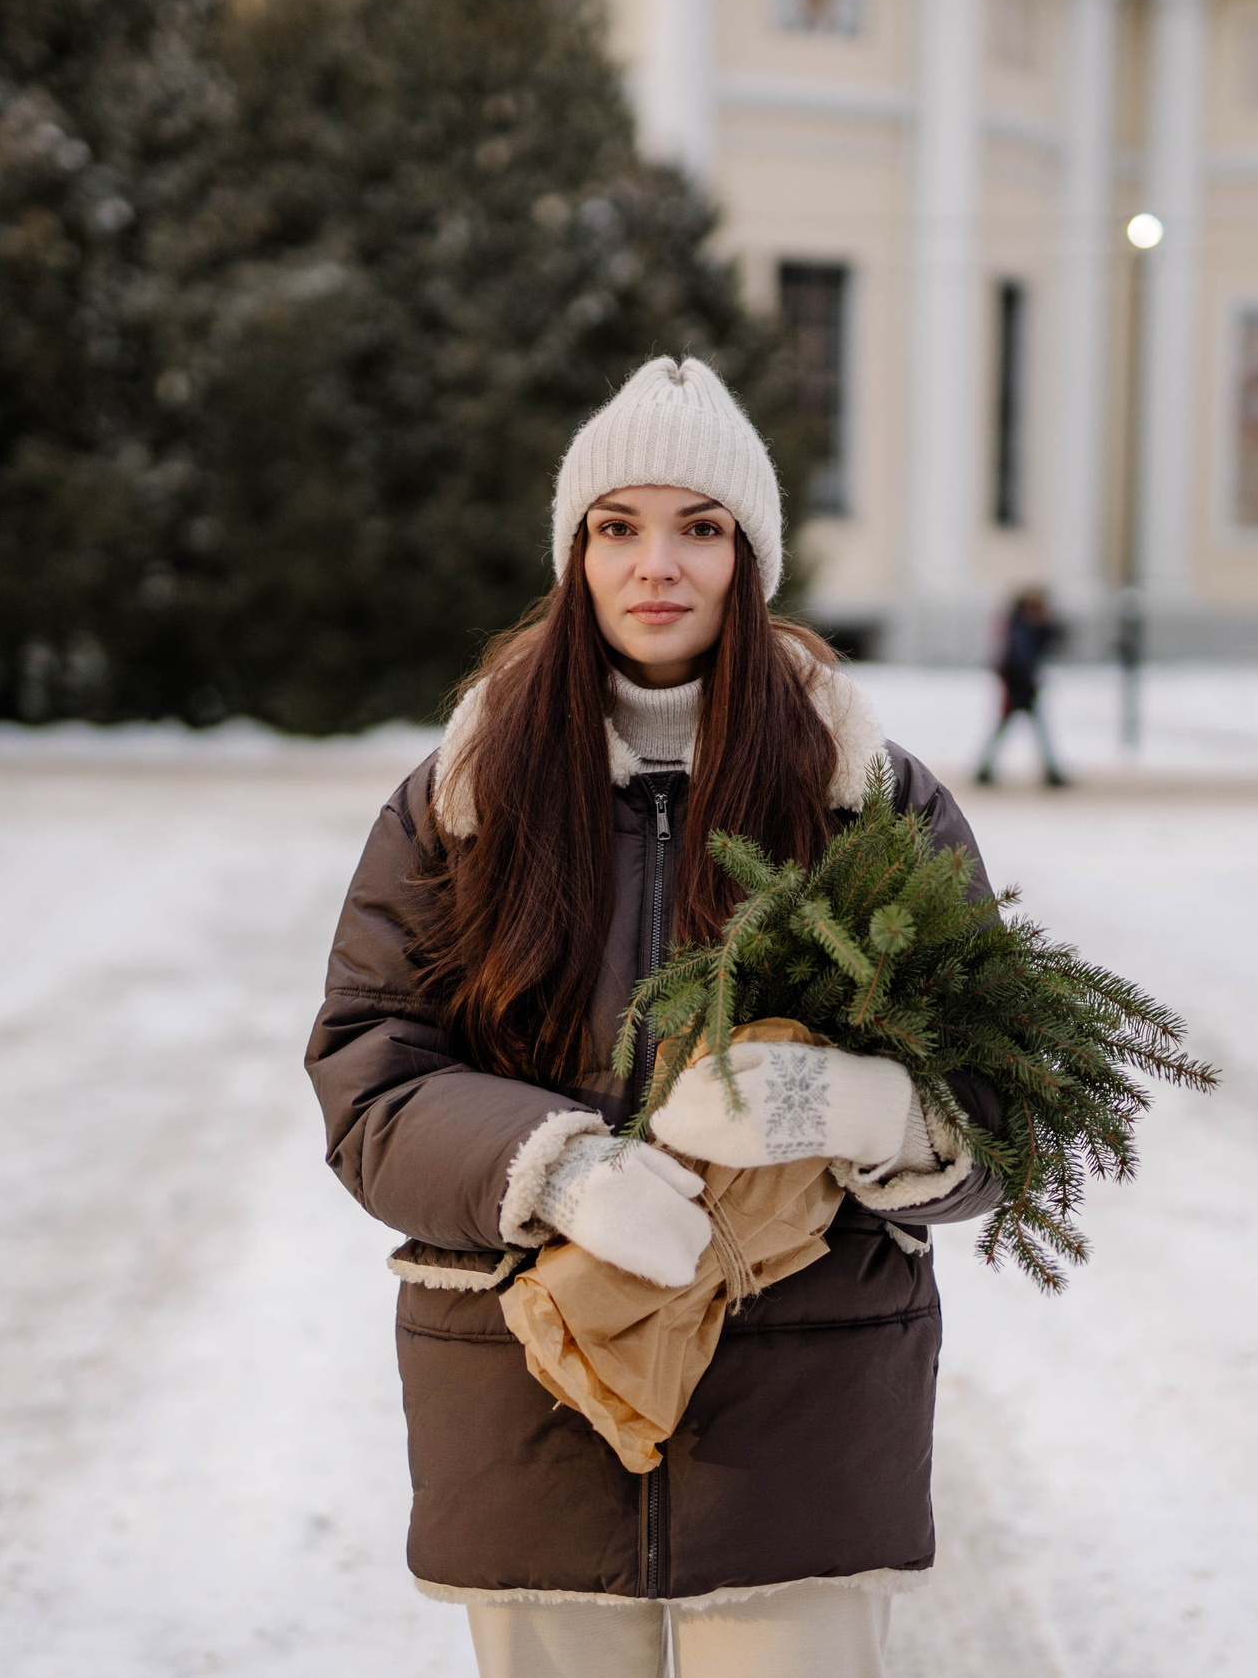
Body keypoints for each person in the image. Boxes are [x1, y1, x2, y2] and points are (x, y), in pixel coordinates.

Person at [306, 358, 1009, 1678]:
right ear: (575, 552)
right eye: (618, 526)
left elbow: (1009, 1092)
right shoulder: (461, 795)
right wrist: (556, 1165)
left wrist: (868, 1107)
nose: (658, 564)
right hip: (532, 1399)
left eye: (700, 526)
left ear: (751, 557)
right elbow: (372, 1073)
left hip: (797, 1420)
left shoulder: (869, 796)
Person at [975, 588, 1067, 789]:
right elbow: (1020, 659)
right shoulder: (1022, 628)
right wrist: (1024, 685)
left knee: (1010, 729)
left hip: (1021, 686)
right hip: (1021, 687)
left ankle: (984, 769)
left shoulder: (1026, 626)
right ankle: (1051, 772)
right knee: (1027, 730)